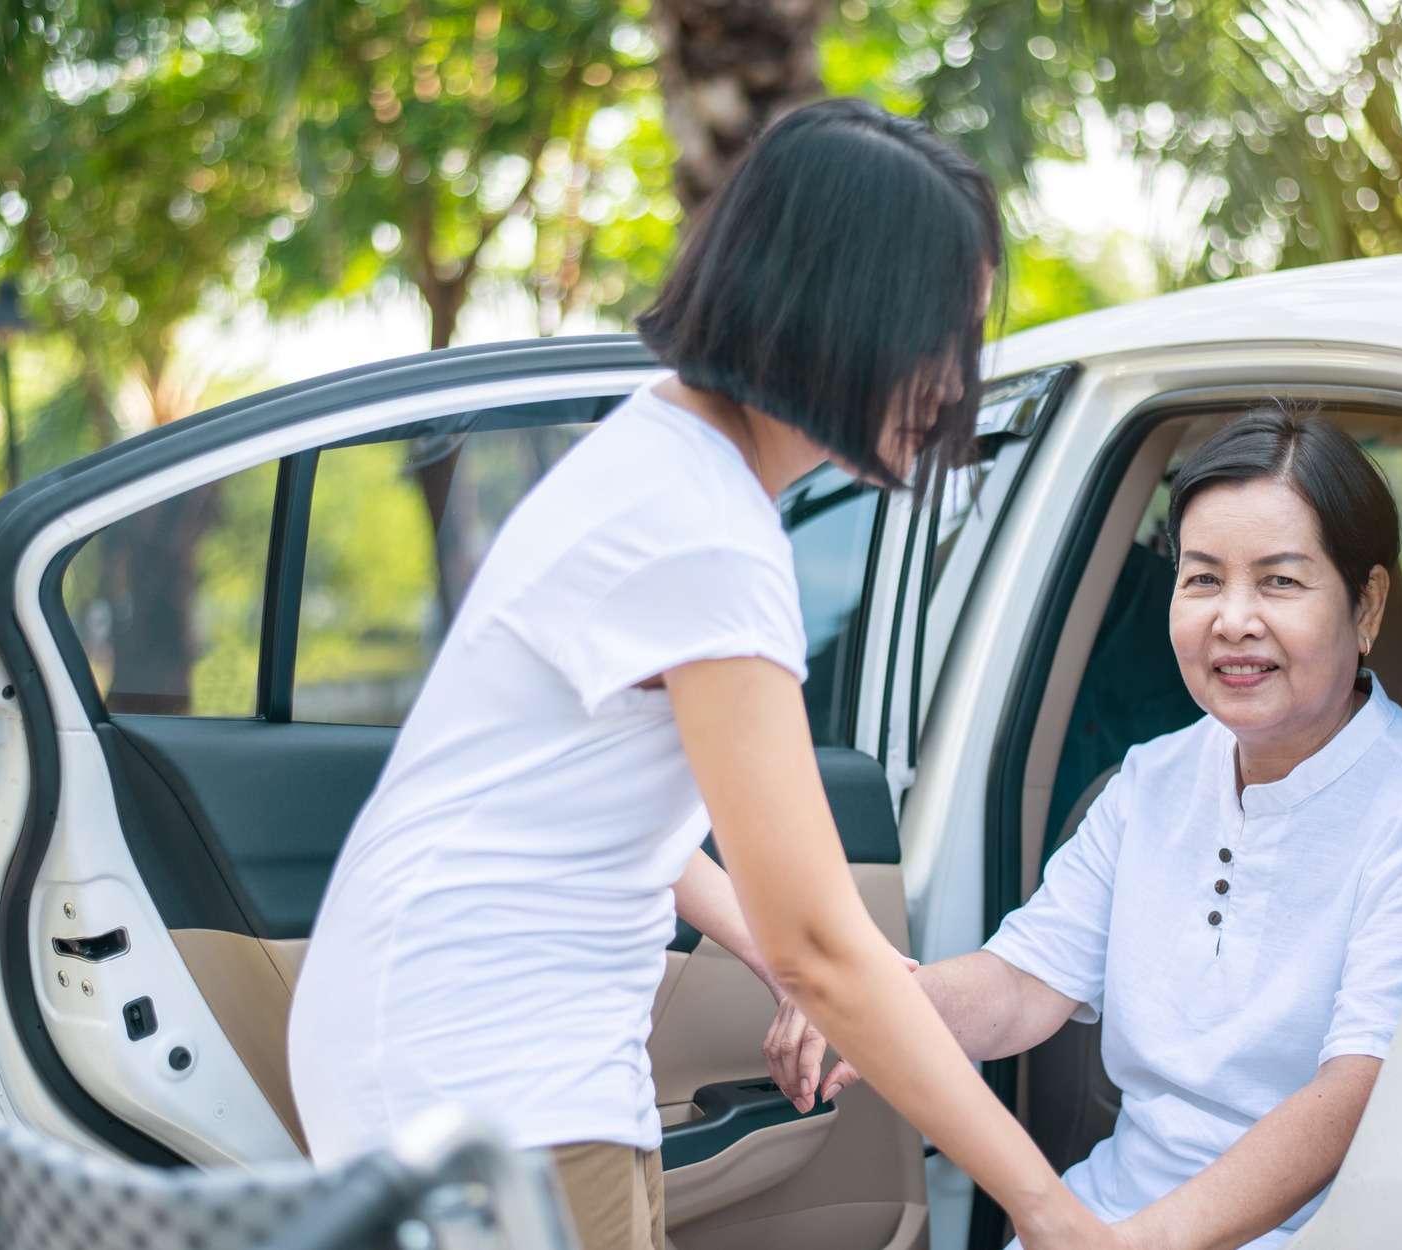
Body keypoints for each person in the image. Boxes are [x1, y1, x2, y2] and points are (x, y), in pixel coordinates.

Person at [289, 98, 1114, 1250]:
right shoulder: (706, 534)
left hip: (462, 1049)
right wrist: (1051, 1206)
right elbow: (827, 942)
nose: (952, 383)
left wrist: (780, 955)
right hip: (491, 1075)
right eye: (945, 334)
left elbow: (618, 814)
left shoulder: (664, 462)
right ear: (851, 313)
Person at [765, 406, 1402, 1249]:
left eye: (1280, 581)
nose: (1233, 619)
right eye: (1201, 579)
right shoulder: (1152, 779)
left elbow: (1354, 1093)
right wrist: (870, 1003)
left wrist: (1139, 1244)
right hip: (1105, 1212)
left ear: (1365, 604)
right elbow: (1019, 989)